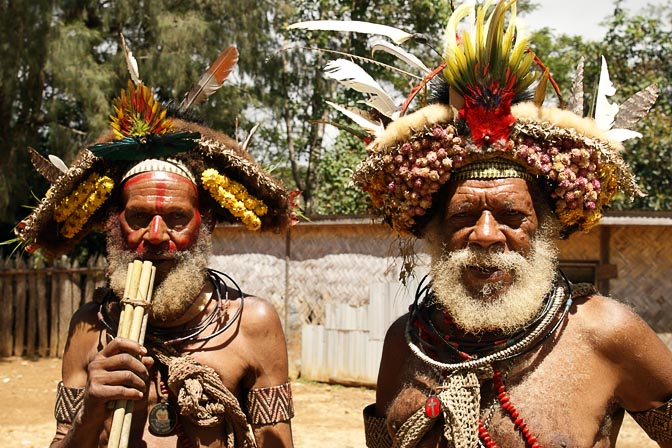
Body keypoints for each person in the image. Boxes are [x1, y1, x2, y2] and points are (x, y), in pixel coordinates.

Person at [294, 1, 672, 447]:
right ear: (432, 228)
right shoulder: (406, 342)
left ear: (546, 226)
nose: (487, 235)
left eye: (512, 216)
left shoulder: (608, 334)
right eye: (463, 216)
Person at [15, 44, 295, 448]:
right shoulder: (90, 329)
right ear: (114, 223)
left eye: (177, 218)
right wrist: (93, 412)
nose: (157, 235)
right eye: (139, 217)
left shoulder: (252, 325)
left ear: (206, 223)